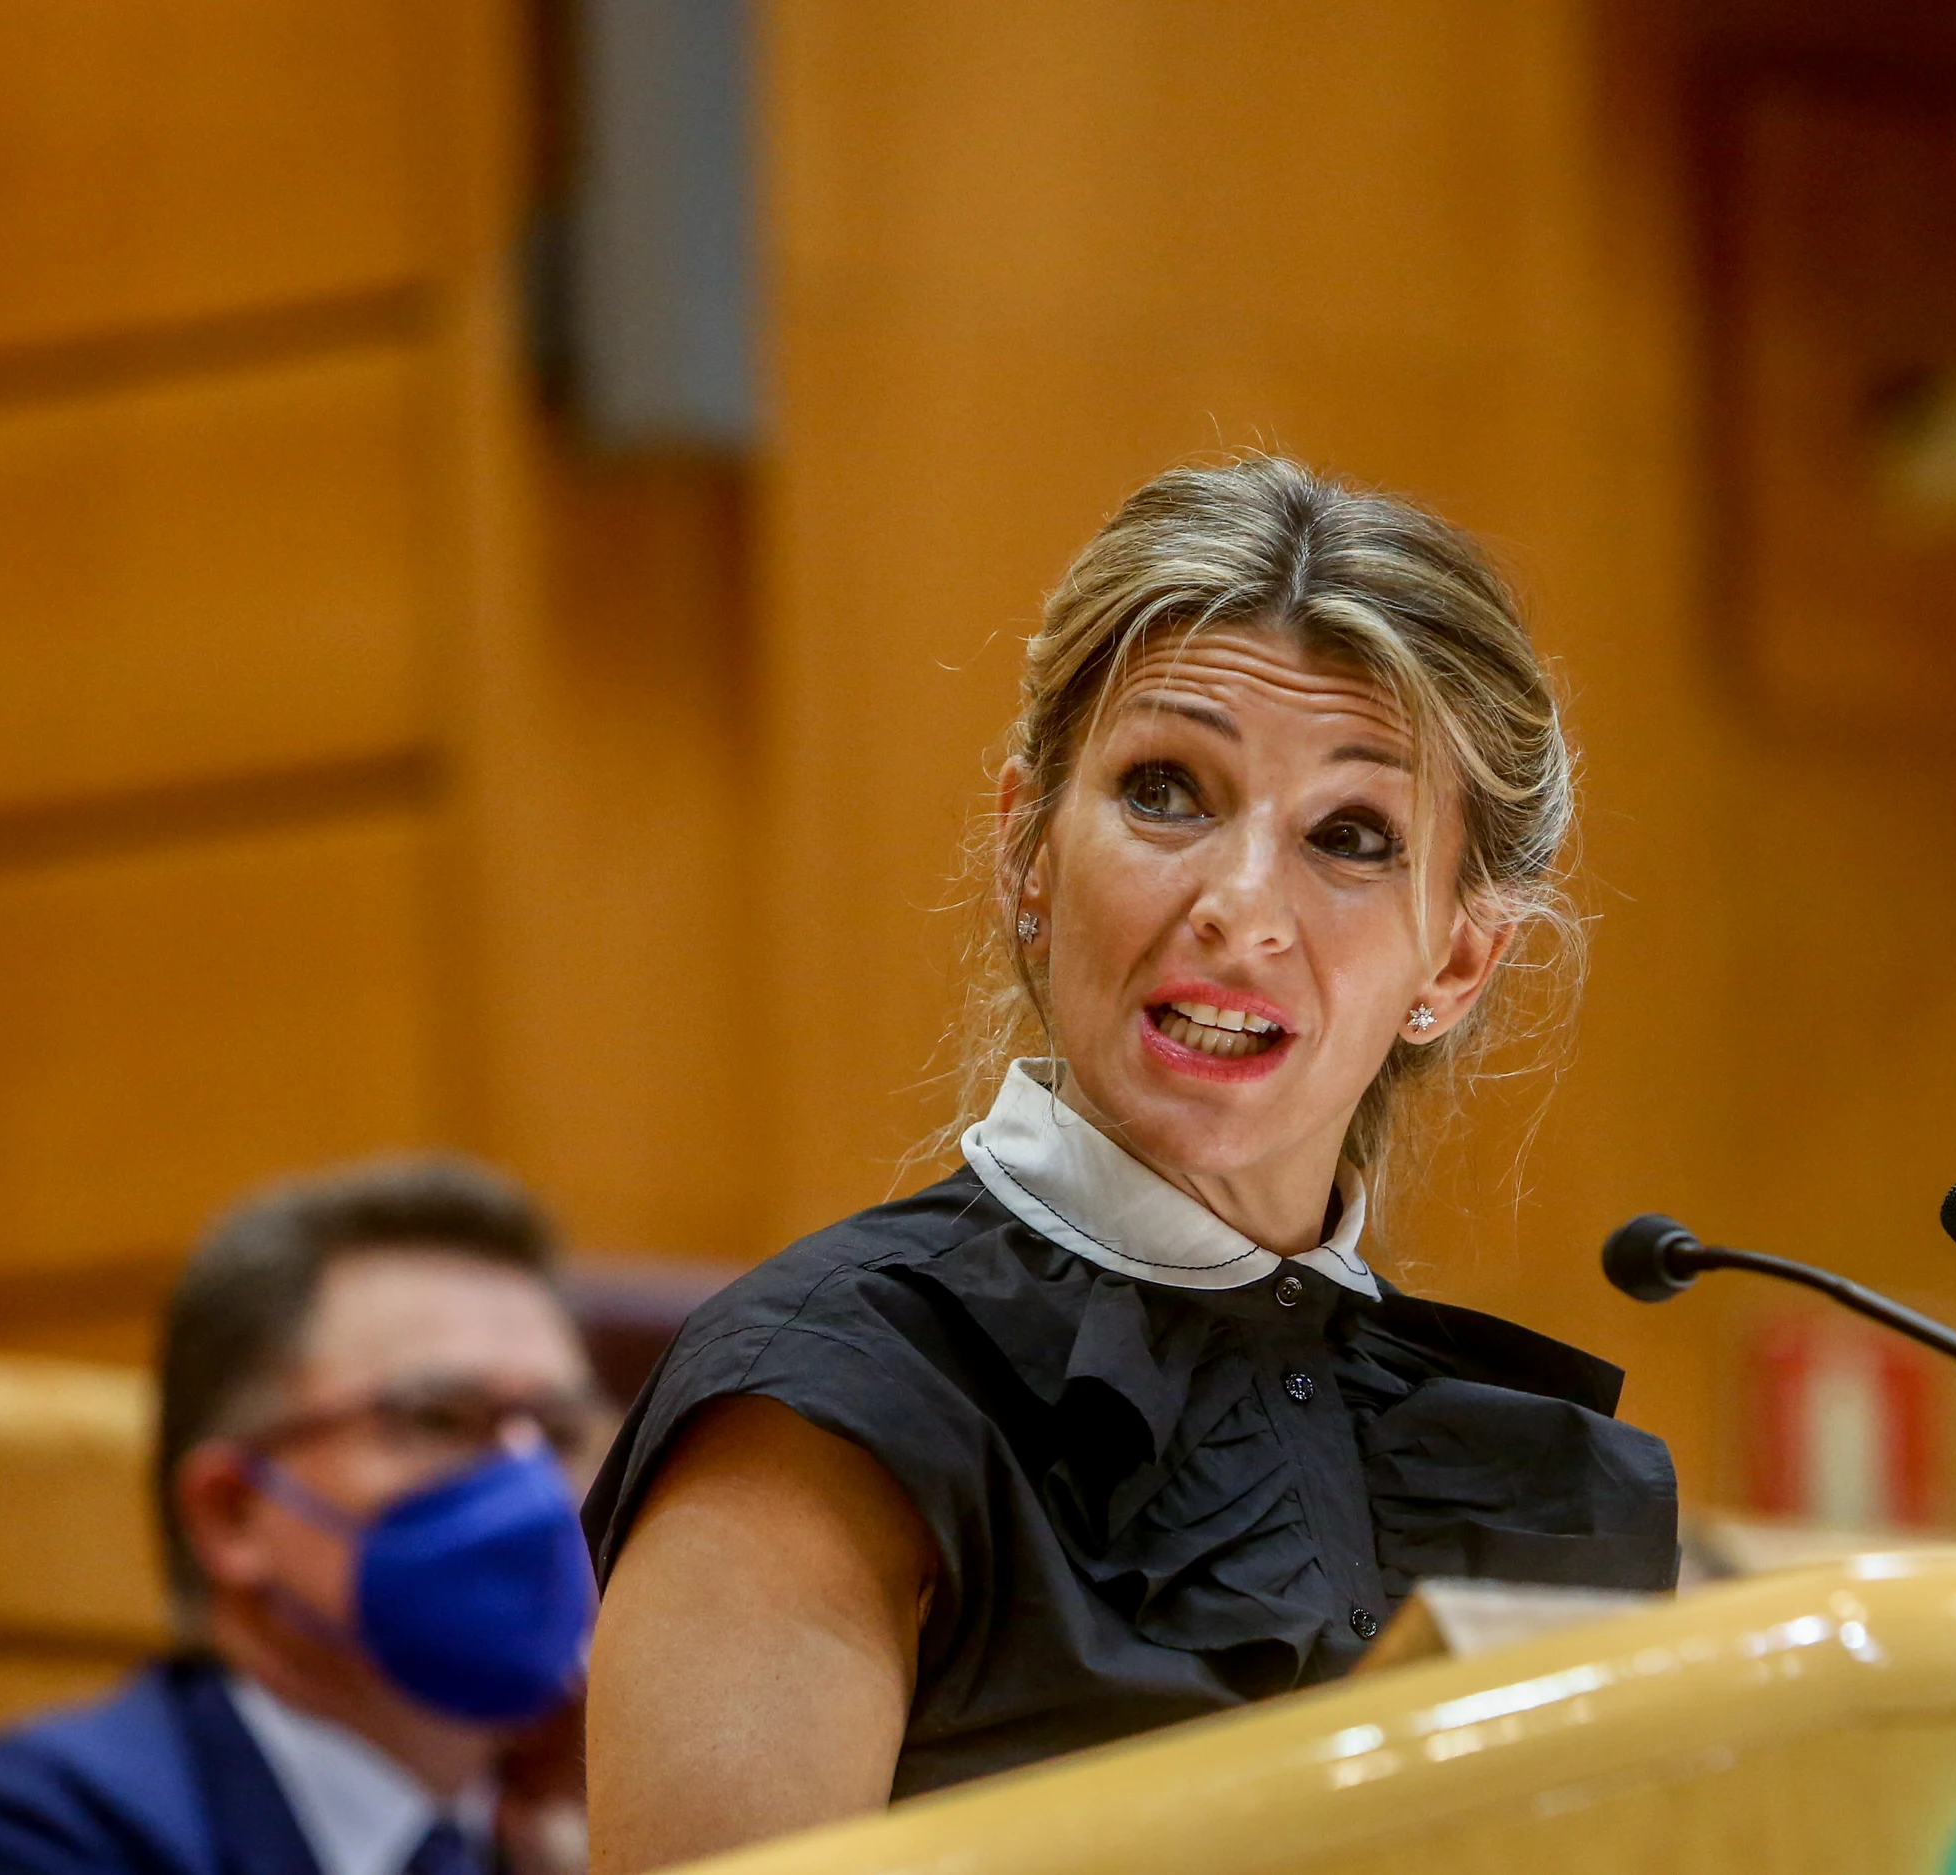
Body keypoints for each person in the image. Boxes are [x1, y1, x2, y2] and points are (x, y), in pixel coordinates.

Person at [580, 456, 1680, 1868]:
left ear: (1459, 959)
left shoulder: (1546, 1484)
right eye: (1167, 792)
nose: (1240, 909)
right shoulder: (830, 1403)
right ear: (1029, 854)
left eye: (1350, 836)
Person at [0, 1158, 614, 1875]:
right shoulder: (39, 1828)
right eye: (436, 1418)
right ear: (232, 1513)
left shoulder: (595, 1831)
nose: (531, 1482)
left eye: (557, 1431)